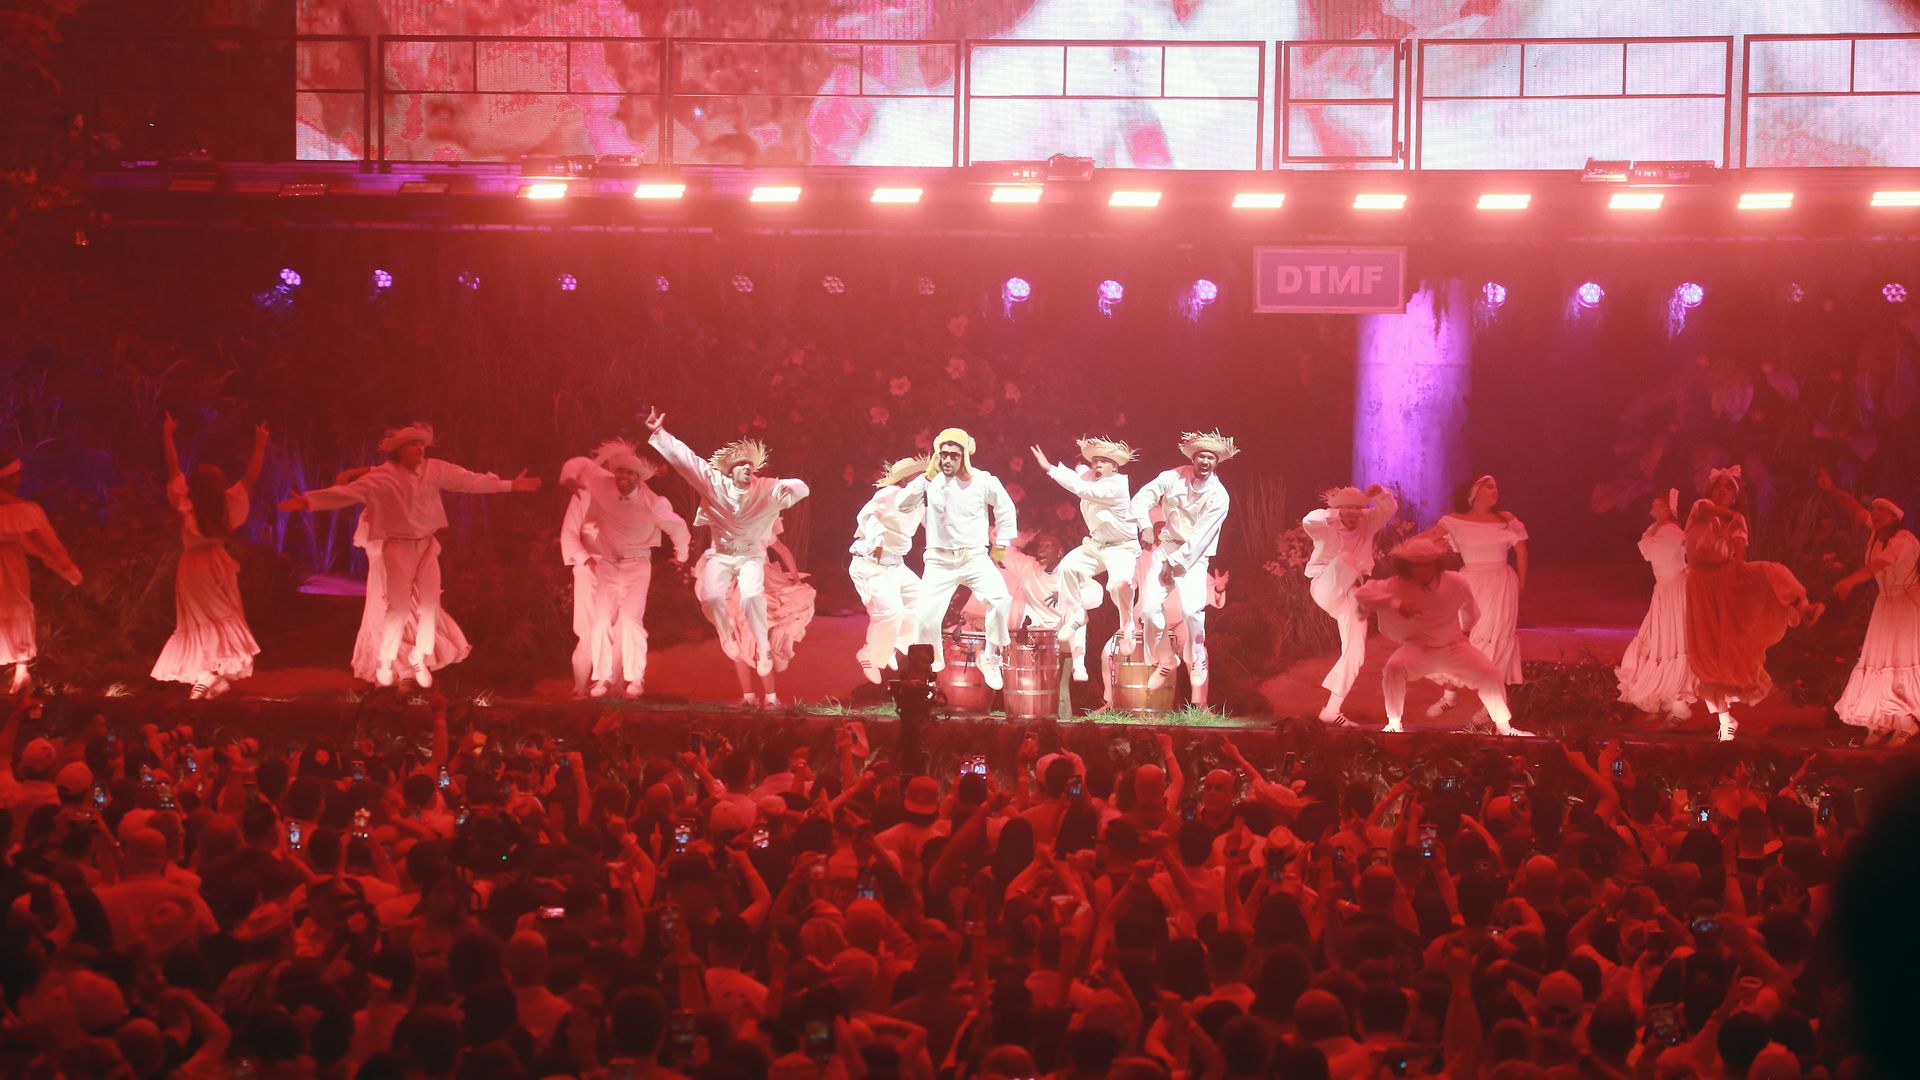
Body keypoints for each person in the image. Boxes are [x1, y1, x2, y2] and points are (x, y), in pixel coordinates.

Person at [279, 422, 542, 688]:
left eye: (421, 444)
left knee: (430, 606)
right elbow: (348, 493)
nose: (419, 448)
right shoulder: (382, 476)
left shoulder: (434, 469)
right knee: (399, 609)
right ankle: (385, 660)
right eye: (413, 444)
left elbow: (469, 481)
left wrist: (511, 485)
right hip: (397, 548)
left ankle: (419, 657)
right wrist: (309, 500)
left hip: (426, 546)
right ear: (400, 450)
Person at [644, 408, 811, 686]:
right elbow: (687, 461)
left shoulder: (764, 488)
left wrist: (791, 489)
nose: (747, 469)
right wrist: (660, 433)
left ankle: (764, 650)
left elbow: (798, 488)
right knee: (711, 597)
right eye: (741, 466)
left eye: (750, 466)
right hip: (721, 556)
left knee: (751, 597)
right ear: (730, 470)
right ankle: (727, 637)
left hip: (751, 556)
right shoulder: (713, 484)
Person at [1684, 465, 1823, 741]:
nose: (1721, 491)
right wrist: (1735, 517)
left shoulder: (1737, 522)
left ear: (1735, 496)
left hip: (1723, 577)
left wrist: (1739, 566)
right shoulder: (1701, 508)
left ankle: (1802, 606)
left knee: (1769, 570)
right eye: (1718, 486)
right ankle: (1725, 721)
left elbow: (1738, 550)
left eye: (1728, 488)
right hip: (1700, 583)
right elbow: (1714, 511)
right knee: (1708, 654)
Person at [1355, 536, 1531, 737]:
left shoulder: (1455, 581)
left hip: (1453, 646)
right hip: (1418, 647)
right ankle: (1394, 724)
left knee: (1489, 674)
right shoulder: (1397, 584)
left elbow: (1471, 612)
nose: (1423, 570)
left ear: (1436, 564)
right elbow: (1362, 594)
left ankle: (1505, 728)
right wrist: (1397, 605)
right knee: (1393, 669)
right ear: (1408, 566)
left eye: (1428, 564)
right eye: (1417, 565)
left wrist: (1463, 633)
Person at [560, 438, 691, 699]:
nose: (620, 475)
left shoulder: (650, 501)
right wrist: (568, 479)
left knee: (629, 621)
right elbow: (580, 466)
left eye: (629, 472)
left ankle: (627, 680)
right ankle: (591, 682)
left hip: (632, 563)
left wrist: (682, 555)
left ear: (638, 476)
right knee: (595, 625)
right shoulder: (596, 486)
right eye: (618, 469)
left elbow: (677, 527)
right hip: (599, 566)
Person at [150, 415, 269, 699]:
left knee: (197, 619)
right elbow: (250, 478)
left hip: (193, 566)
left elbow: (173, 469)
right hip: (217, 562)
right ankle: (210, 676)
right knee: (220, 615)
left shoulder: (187, 502)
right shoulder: (227, 504)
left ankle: (206, 676)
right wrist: (260, 443)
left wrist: (167, 435)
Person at [897, 428, 1018, 690]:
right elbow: (902, 505)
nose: (948, 460)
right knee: (924, 618)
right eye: (943, 454)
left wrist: (1001, 545)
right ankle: (931, 665)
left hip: (974, 557)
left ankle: (991, 656)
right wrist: (924, 479)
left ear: (964, 456)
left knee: (999, 600)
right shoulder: (930, 482)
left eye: (954, 455)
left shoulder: (982, 480)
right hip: (939, 562)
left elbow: (1005, 508)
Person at [1131, 430, 1236, 706]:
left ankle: (1196, 654)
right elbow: (1141, 498)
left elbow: (1201, 537)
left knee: (1191, 610)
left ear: (1216, 462)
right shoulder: (1173, 476)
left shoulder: (1219, 496)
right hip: (1165, 547)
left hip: (1194, 556)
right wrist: (1145, 525)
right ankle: (1166, 659)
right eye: (1201, 456)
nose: (1205, 461)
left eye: (1210, 457)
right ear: (1193, 457)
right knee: (1149, 610)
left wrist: (1174, 563)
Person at [1818, 470, 1920, 744]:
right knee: (1880, 662)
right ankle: (1886, 719)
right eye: (1874, 508)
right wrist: (1831, 488)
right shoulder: (1876, 533)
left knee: (1899, 662)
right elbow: (1853, 507)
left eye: (1882, 509)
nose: (1875, 513)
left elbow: (1879, 565)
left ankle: (1907, 721)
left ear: (1895, 515)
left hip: (1906, 605)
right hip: (1885, 604)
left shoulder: (1904, 541)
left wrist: (1849, 581)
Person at [1422, 475, 1529, 725]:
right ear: (1474, 491)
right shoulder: (1455, 521)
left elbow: (1522, 552)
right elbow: (1427, 538)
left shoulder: (1506, 519)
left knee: (1495, 639)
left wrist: (1520, 586)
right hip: (1469, 583)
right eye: (1489, 486)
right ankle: (1450, 695)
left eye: (1496, 486)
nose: (1495, 490)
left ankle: (1490, 705)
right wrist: (1417, 549)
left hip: (1501, 584)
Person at [1031, 437, 1141, 654]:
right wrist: (1077, 467)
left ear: (1115, 466)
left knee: (1120, 585)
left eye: (1103, 461)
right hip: (1096, 546)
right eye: (1095, 461)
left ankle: (1128, 625)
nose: (1097, 464)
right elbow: (1079, 475)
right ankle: (1076, 615)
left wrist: (1050, 469)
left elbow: (1082, 489)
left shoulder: (1117, 486)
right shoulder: (1092, 478)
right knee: (1067, 568)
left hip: (1122, 548)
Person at [1302, 483, 1398, 726]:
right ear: (1338, 510)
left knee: (1356, 652)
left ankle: (1331, 710)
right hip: (1326, 585)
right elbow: (1309, 520)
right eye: (1350, 509)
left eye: (1359, 509)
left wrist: (1380, 494)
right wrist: (1336, 513)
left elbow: (1389, 508)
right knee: (1345, 558)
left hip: (1353, 593)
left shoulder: (1367, 521)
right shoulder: (1325, 524)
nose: (1356, 514)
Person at [700, 515, 816, 708]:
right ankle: (749, 697)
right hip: (734, 587)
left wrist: (796, 579)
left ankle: (770, 698)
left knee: (757, 641)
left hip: (757, 584)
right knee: (737, 642)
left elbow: (782, 550)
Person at [0, 453, 83, 693]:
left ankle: (21, 672)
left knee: (16, 606)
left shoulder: (20, 510)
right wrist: (65, 566)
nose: (19, 481)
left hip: (10, 564)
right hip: (9, 564)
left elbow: (42, 543)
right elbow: (47, 543)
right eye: (15, 476)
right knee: (14, 606)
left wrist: (63, 565)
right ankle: (21, 672)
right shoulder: (21, 510)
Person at [1615, 489, 1697, 721]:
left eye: (1657, 500)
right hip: (1664, 590)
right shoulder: (1658, 529)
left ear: (1667, 507)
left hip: (1675, 591)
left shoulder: (1670, 531)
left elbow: (1651, 550)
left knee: (1674, 642)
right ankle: (1670, 698)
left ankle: (1679, 701)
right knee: (1661, 642)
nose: (1652, 502)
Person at [849, 456, 926, 685]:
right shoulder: (889, 494)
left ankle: (891, 644)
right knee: (890, 613)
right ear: (907, 479)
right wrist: (878, 539)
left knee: (925, 604)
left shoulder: (919, 503)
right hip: (870, 565)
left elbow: (936, 525)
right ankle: (869, 656)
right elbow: (867, 516)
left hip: (896, 566)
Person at [560, 481, 603, 697]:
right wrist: (588, 561)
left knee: (615, 626)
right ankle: (581, 685)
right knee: (587, 628)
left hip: (619, 568)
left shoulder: (629, 496)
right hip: (588, 568)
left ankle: (606, 683)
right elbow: (568, 534)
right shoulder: (583, 496)